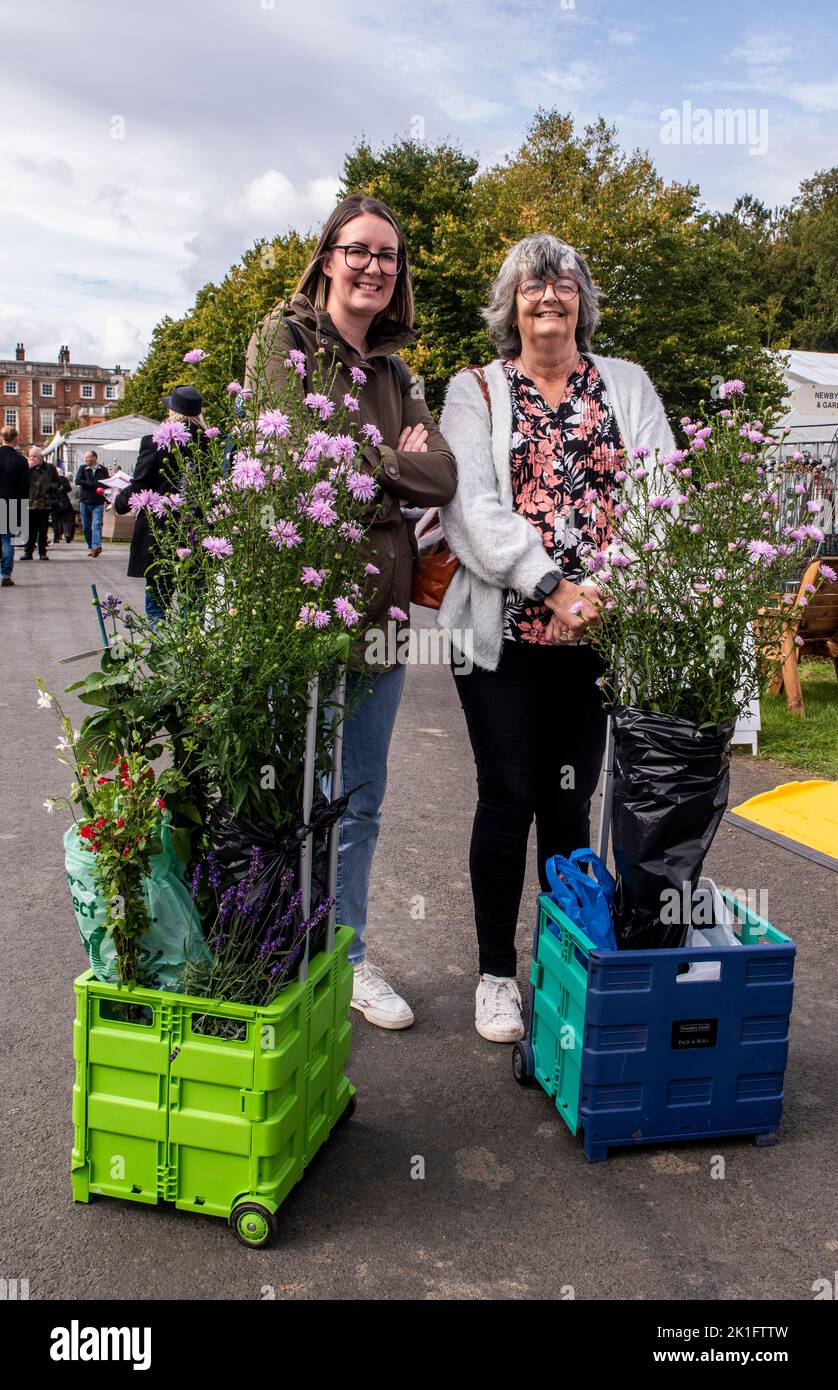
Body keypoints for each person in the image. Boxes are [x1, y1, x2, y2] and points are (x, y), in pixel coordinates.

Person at [438, 233, 675, 1043]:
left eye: (564, 284)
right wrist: (552, 584)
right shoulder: (475, 390)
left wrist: (613, 586)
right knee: (507, 799)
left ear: (583, 301)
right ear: (510, 305)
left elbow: (660, 489)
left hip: (598, 633)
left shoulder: (628, 385)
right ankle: (496, 973)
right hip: (502, 636)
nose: (549, 296)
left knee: (570, 805)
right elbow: (470, 507)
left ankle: (565, 961)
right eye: (532, 286)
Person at [246, 194, 456, 1031]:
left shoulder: (397, 373)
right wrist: (392, 467)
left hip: (382, 611)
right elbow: (296, 459)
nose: (375, 267)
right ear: (328, 256)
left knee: (361, 798)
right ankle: (276, 954)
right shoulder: (283, 340)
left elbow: (443, 476)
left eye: (389, 257)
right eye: (359, 251)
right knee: (288, 791)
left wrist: (373, 471)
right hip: (298, 604)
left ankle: (351, 957)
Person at [114, 385, 206, 627]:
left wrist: (120, 502)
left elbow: (140, 485)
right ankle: (191, 654)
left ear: (172, 413)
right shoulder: (209, 443)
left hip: (160, 531)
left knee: (157, 602)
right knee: (193, 603)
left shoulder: (154, 442)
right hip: (197, 531)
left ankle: (164, 656)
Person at [0, 425, 29, 587]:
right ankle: (5, 574)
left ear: (1, 438)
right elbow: (25, 487)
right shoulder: (20, 460)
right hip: (12, 504)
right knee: (8, 540)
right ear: (16, 439)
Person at [21, 446, 60, 561]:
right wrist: (28, 468)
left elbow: (58, 483)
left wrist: (49, 487)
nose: (32, 458)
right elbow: (20, 481)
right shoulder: (25, 468)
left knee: (43, 529)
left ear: (40, 457)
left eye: (35, 456)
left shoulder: (50, 468)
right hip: (30, 503)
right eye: (31, 456)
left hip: (44, 503)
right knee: (29, 529)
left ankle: (42, 552)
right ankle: (28, 552)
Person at [75, 450, 110, 556]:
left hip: (98, 501)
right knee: (86, 527)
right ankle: (91, 546)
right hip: (85, 501)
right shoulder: (82, 468)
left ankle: (96, 546)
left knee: (97, 525)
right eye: (85, 458)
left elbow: (106, 483)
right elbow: (78, 481)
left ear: (95, 458)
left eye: (88, 457)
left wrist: (105, 491)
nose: (86, 459)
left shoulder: (103, 470)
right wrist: (91, 484)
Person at [51, 470, 76, 544]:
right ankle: (67, 534)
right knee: (65, 520)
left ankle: (56, 537)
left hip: (54, 502)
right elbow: (69, 489)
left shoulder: (51, 479)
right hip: (64, 502)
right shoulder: (64, 479)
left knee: (55, 521)